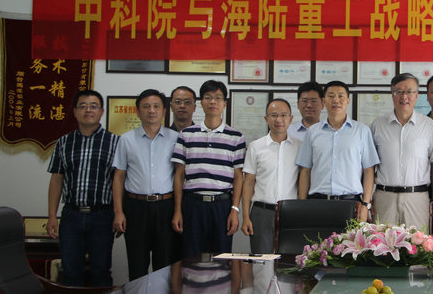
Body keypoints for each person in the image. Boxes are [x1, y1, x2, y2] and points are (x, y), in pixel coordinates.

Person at [46, 89, 118, 287]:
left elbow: (119, 181)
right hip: (71, 215)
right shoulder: (64, 142)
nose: (88, 110)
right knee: (70, 272)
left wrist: (119, 213)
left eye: (93, 106)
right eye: (83, 106)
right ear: (75, 112)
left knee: (101, 271)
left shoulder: (115, 142)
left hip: (102, 215)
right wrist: (52, 216)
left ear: (101, 111)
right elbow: (56, 180)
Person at [171, 80, 246, 257]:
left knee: (221, 258)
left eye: (218, 98)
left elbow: (238, 177)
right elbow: (179, 175)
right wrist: (177, 210)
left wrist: (235, 210)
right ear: (201, 103)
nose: (213, 102)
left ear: (224, 103)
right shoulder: (186, 134)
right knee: (190, 258)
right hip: (192, 205)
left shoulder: (236, 137)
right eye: (208, 97)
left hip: (222, 206)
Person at [112, 89, 181, 281]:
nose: (151, 110)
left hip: (165, 207)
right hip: (135, 208)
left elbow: (179, 176)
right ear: (138, 111)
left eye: (156, 106)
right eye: (146, 106)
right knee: (137, 266)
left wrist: (178, 210)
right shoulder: (126, 140)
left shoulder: (175, 139)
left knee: (164, 265)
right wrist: (118, 211)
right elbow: (119, 177)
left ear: (164, 111)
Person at [296, 81, 379, 221]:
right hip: (317, 202)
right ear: (324, 102)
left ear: (348, 101)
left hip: (351, 203)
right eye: (331, 96)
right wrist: (302, 203)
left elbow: (369, 169)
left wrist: (366, 204)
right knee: (316, 236)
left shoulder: (362, 131)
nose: (336, 100)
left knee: (350, 237)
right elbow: (305, 170)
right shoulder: (313, 132)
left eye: (341, 96)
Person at [371, 73, 433, 229]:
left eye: (409, 92)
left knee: (418, 243)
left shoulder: (428, 125)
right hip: (384, 197)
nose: (404, 97)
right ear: (392, 94)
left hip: (417, 198)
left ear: (416, 95)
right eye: (399, 92)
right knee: (380, 242)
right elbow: (370, 165)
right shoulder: (378, 125)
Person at [241, 98, 301, 253]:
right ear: (266, 119)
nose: (278, 120)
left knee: (290, 260)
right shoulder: (255, 147)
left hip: (290, 212)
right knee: (261, 261)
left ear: (291, 119)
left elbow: (303, 180)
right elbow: (248, 183)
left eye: (283, 115)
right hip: (262, 212)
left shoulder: (300, 147)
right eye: (274, 115)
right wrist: (245, 217)